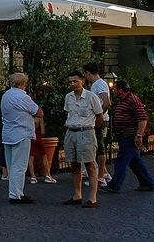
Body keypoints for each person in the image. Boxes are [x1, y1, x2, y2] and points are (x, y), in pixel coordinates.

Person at [100, 80, 154, 194]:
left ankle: (114, 185)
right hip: (124, 135)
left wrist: (139, 135)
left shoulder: (133, 100)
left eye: (115, 89)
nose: (113, 91)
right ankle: (147, 182)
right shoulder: (124, 100)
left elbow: (142, 118)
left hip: (129, 136)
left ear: (121, 90)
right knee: (135, 161)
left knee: (122, 161)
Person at [62, 70, 103, 209]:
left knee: (90, 164)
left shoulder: (91, 97)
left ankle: (93, 198)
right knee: (74, 164)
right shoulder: (68, 97)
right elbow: (68, 114)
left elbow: (99, 116)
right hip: (71, 132)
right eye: (70, 82)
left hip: (86, 132)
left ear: (82, 81)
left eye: (75, 81)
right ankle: (77, 195)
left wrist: (90, 128)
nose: (73, 84)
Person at [0, 72, 42, 204]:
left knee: (12, 165)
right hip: (21, 134)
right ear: (23, 84)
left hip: (7, 134)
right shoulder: (23, 97)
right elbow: (39, 112)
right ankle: (16, 194)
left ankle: (15, 192)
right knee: (20, 166)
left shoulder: (6, 95)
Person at [83, 63, 112, 186]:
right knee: (96, 146)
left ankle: (100, 177)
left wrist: (98, 117)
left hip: (100, 120)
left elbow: (106, 102)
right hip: (98, 119)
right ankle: (104, 172)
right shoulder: (97, 84)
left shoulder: (99, 84)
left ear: (88, 73)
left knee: (99, 147)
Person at [26, 116, 57, 183]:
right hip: (38, 139)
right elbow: (43, 132)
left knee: (31, 158)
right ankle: (48, 175)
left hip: (31, 138)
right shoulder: (40, 118)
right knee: (44, 156)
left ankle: (33, 176)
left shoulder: (28, 117)